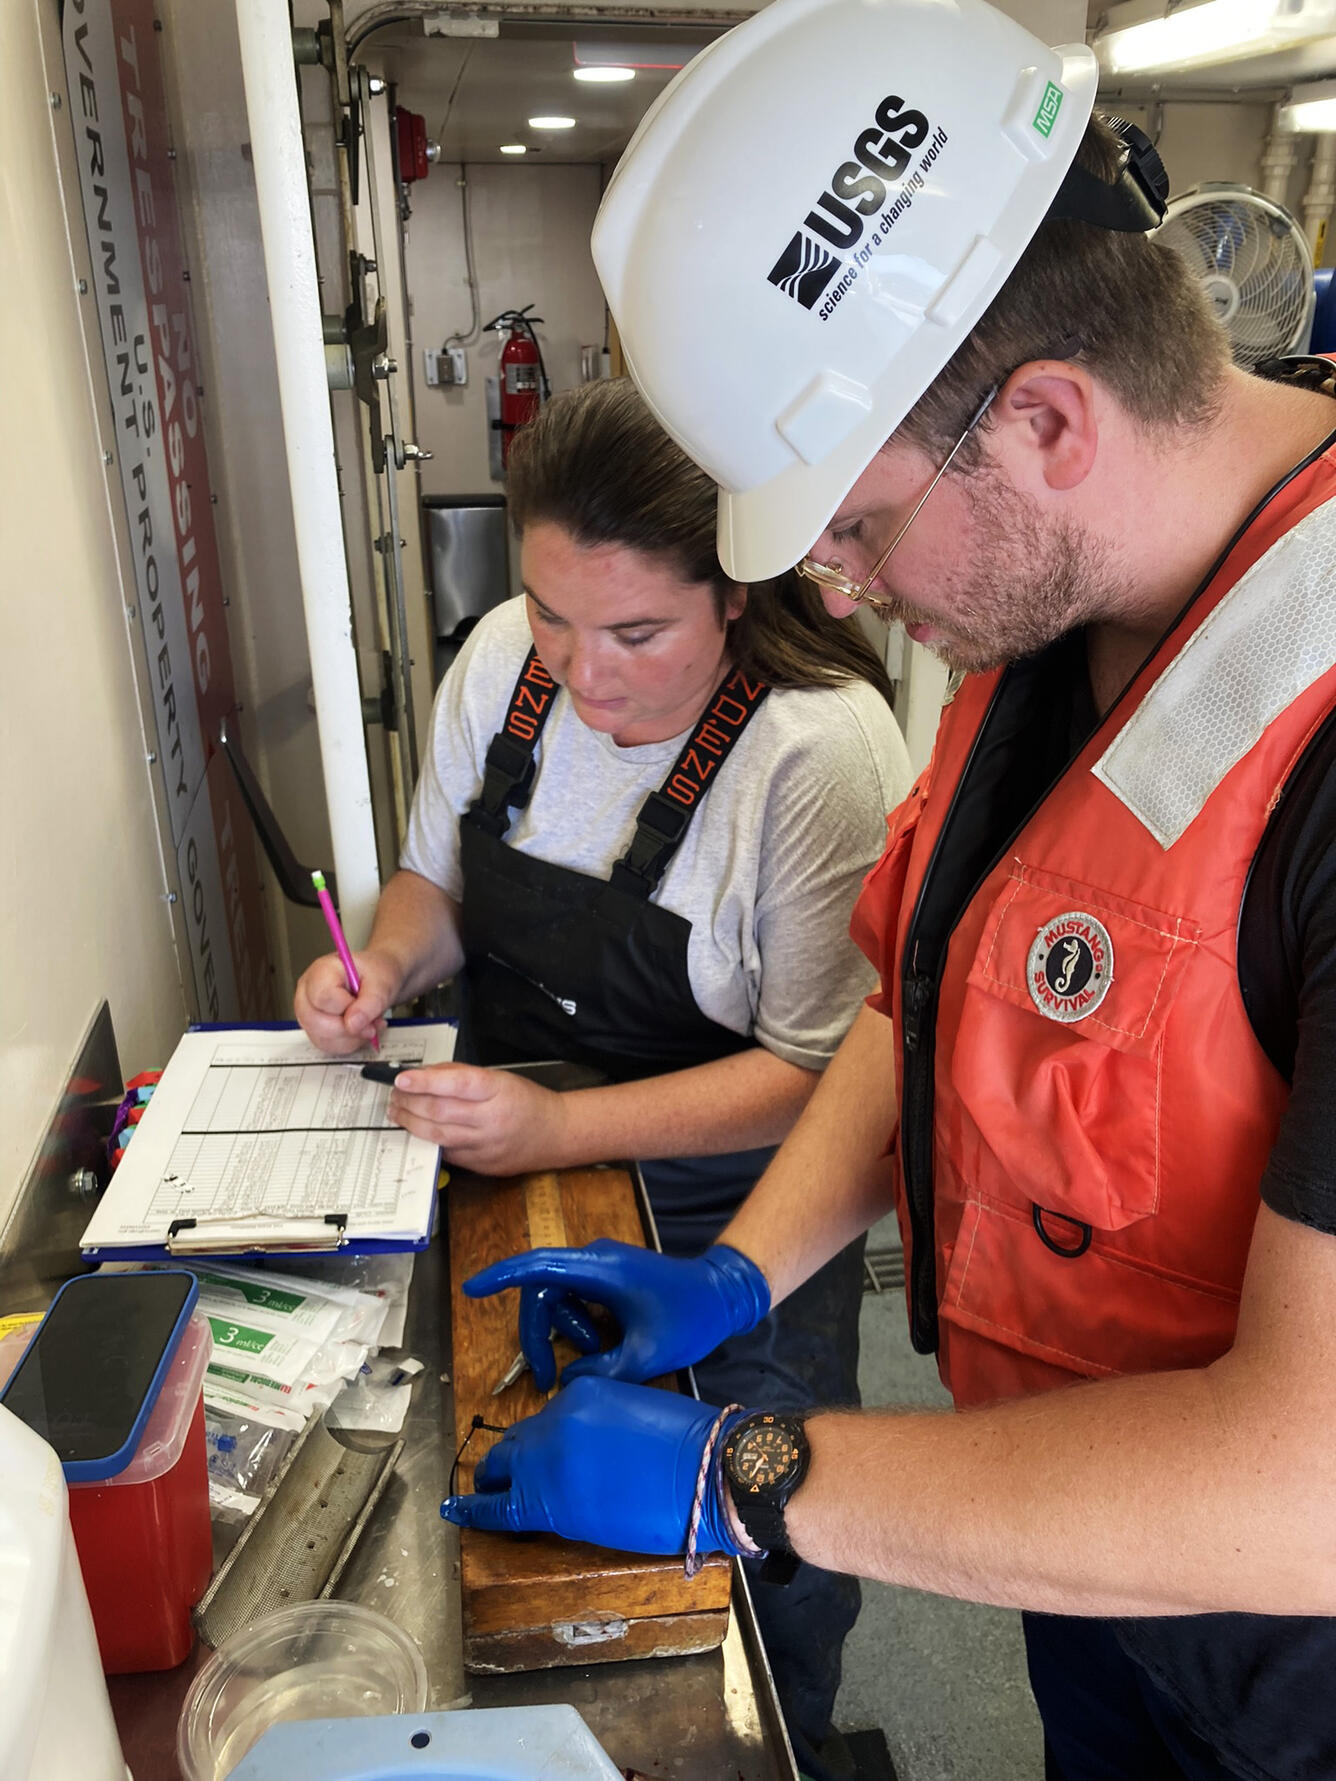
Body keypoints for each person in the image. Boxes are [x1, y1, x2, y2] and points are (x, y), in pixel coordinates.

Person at [439, 2, 1336, 1777]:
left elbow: (1309, 1482)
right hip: (1087, 1571)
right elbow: (922, 1000)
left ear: (1048, 422)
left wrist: (752, 1467)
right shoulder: (1065, 620)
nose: (838, 590)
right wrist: (741, 1274)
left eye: (852, 526)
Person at [294, 376, 912, 1776]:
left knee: (762, 1535)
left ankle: (785, 1743)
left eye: (637, 631)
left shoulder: (817, 754)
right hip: (522, 1167)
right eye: (553, 615)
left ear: (736, 592)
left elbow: (819, 1074)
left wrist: (558, 1123)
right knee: (532, 1499)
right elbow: (436, 884)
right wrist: (382, 966)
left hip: (743, 1218)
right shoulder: (500, 663)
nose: (583, 673)